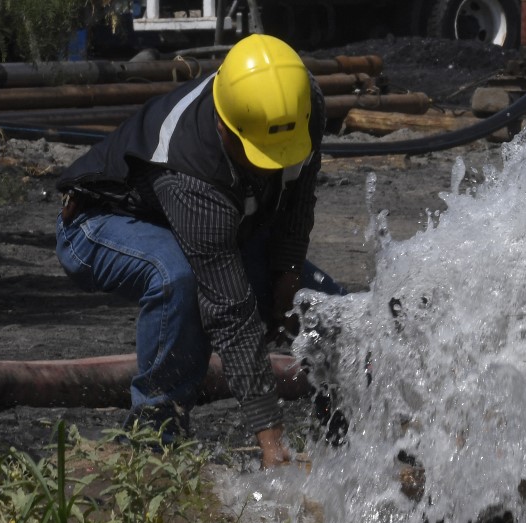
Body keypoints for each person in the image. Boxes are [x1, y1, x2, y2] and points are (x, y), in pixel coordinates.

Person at [54, 34, 344, 468]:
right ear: (226, 127)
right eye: (258, 155)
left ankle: (341, 444)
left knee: (324, 304)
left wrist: (286, 277)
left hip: (214, 223)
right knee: (180, 280)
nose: (272, 166)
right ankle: (155, 443)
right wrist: (270, 438)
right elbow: (229, 308)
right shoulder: (190, 170)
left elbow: (298, 199)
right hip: (100, 226)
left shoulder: (302, 104)